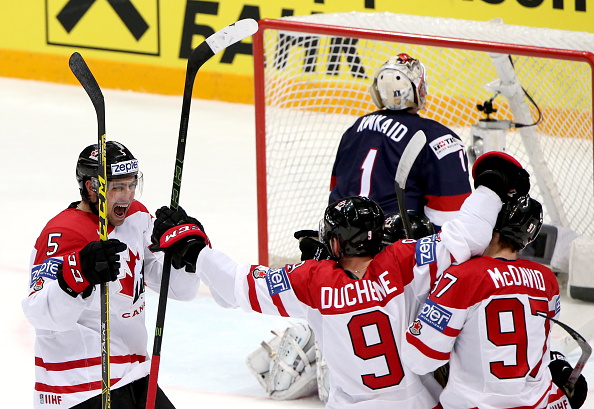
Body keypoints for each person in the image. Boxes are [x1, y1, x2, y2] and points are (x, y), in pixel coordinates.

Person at [149, 152, 530, 408]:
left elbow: (237, 286)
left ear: (334, 241)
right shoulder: (404, 260)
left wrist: (197, 251)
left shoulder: (313, 281)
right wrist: (492, 187)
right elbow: (467, 236)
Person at [21, 141, 201, 409]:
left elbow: (181, 290)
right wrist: (77, 275)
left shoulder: (137, 217)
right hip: (80, 387)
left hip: (135, 377)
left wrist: (187, 256)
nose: (127, 196)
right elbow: (39, 313)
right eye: (117, 187)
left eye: (131, 185)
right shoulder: (62, 233)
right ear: (92, 188)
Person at [401, 195, 588, 408]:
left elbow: (420, 358)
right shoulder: (547, 280)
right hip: (539, 403)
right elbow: (537, 342)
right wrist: (556, 361)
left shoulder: (463, 275)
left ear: (489, 225)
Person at [329, 53, 472, 230]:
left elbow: (335, 189)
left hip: (343, 243)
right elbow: (451, 216)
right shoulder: (437, 138)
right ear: (419, 89)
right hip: (397, 248)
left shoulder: (354, 129)